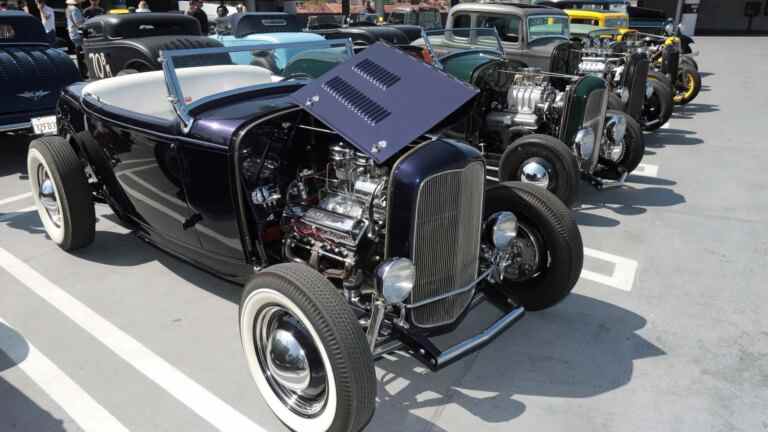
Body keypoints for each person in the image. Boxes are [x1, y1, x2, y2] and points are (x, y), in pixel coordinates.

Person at [65, 0, 87, 77]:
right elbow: (78, 23)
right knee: (83, 53)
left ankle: (82, 72)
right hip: (77, 34)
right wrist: (86, 21)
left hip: (73, 33)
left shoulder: (68, 8)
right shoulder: (75, 9)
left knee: (79, 52)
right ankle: (83, 72)